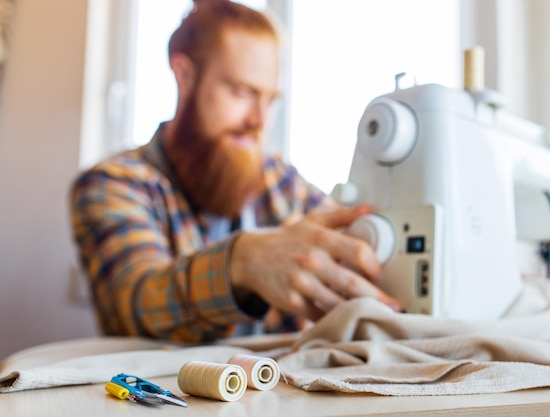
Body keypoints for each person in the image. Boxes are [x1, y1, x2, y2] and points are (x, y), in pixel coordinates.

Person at [70, 0, 400, 343]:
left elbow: (351, 247)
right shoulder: (112, 184)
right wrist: (241, 263)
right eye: (243, 92)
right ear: (185, 74)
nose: (259, 121)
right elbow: (134, 304)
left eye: (270, 100)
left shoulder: (281, 182)